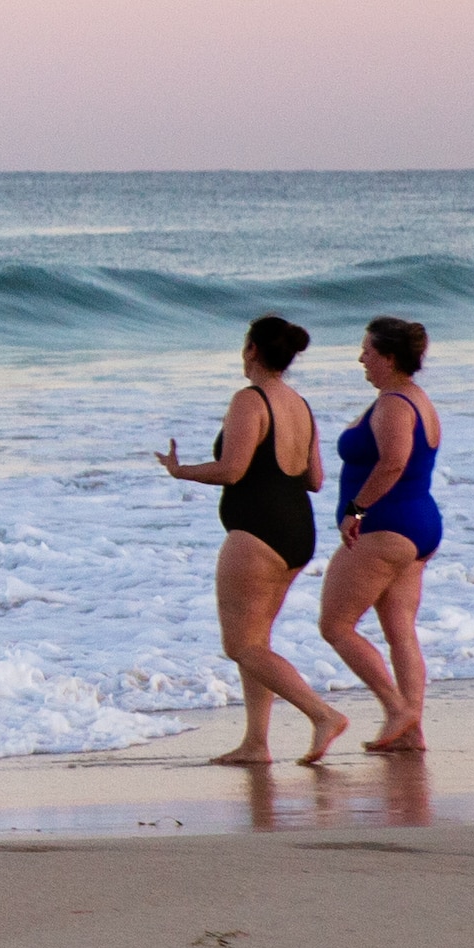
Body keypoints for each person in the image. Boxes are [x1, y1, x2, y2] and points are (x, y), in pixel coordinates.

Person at [157, 314, 355, 767]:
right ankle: (256, 743)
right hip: (296, 529)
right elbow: (316, 478)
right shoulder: (299, 404)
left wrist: (179, 470)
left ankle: (323, 715)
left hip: (258, 533)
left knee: (241, 645)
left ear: (251, 350)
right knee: (257, 640)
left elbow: (232, 470)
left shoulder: (249, 401)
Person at [320, 313, 445, 753]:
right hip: (418, 525)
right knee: (400, 632)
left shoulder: (394, 402)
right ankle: (410, 734)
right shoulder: (416, 398)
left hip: (389, 525)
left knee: (335, 626)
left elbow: (393, 461)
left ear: (389, 358)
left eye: (368, 352)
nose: (361, 359)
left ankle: (397, 709)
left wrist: (356, 509)